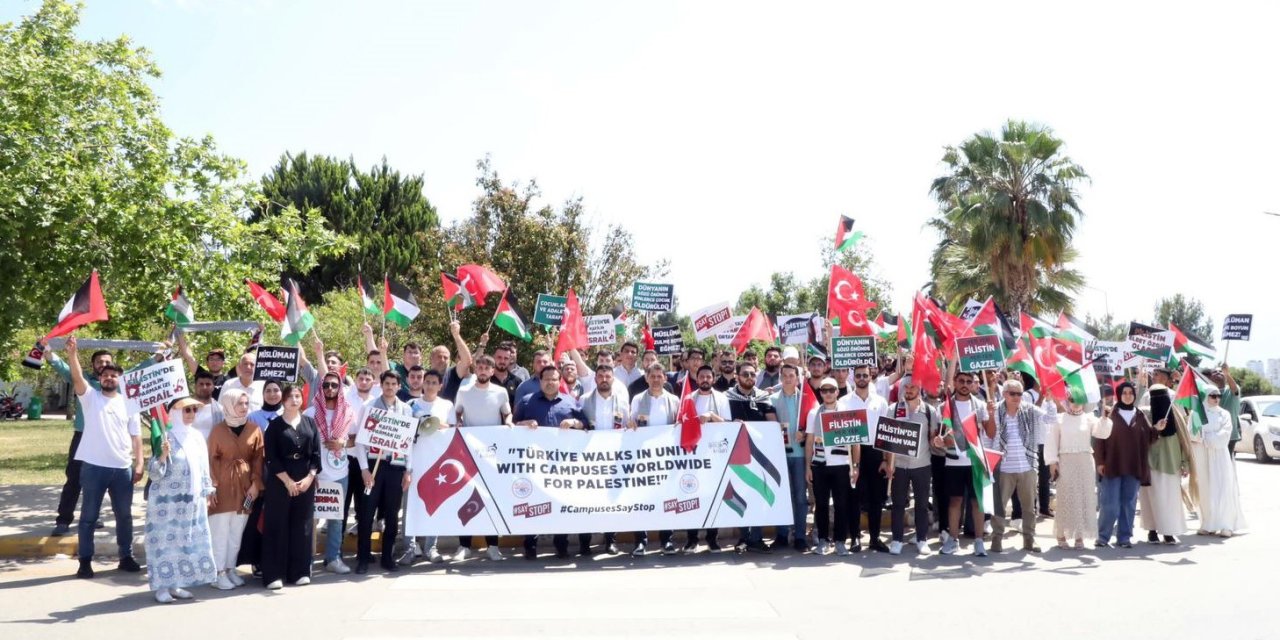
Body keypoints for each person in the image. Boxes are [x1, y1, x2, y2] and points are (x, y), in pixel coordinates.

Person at [59, 337, 145, 578]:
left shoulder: (130, 403)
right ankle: (85, 561)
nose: (109, 378)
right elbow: (77, 378)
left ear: (119, 379)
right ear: (100, 379)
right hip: (94, 468)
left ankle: (125, 556)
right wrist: (72, 354)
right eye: (105, 375)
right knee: (88, 517)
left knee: (124, 516)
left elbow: (136, 437)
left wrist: (139, 463)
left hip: (122, 469)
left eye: (114, 375)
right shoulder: (90, 398)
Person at [145, 397, 217, 603]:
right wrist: (161, 455)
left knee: (185, 543)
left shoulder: (196, 437)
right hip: (166, 505)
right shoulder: (165, 436)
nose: (191, 414)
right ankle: (161, 587)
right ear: (174, 412)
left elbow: (204, 467)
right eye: (186, 410)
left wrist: (207, 491)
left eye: (194, 410)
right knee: (165, 545)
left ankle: (176, 583)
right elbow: (154, 474)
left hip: (192, 502)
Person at [514, 366, 589, 559]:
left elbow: (586, 426)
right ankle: (530, 544)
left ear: (559, 380)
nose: (550, 382)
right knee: (532, 505)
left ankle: (561, 544)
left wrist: (574, 423)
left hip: (562, 467)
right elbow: (512, 427)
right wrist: (523, 425)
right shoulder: (526, 402)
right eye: (546, 379)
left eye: (554, 379)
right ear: (540, 381)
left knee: (559, 504)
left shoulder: (570, 402)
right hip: (534, 464)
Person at [452, 355, 513, 561]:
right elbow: (457, 413)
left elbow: (507, 414)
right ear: (475, 369)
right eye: (480, 366)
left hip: (492, 454)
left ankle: (492, 546)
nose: (483, 369)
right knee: (466, 496)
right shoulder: (464, 391)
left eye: (487, 367)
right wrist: (458, 422)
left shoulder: (501, 392)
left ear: (493, 371)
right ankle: (464, 546)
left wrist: (510, 423)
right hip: (468, 452)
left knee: (490, 499)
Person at [261, 384, 322, 589]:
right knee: (277, 525)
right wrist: (287, 481)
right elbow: (271, 457)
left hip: (305, 480)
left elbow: (315, 454)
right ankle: (273, 574)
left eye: (297, 396)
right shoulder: (275, 425)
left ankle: (299, 571)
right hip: (280, 481)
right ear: (283, 400)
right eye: (290, 397)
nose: (294, 400)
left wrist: (309, 477)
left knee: (302, 526)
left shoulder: (310, 423)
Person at [355, 371, 415, 574]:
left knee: (391, 514)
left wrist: (408, 470)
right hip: (374, 467)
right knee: (366, 513)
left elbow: (408, 445)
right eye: (386, 383)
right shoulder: (369, 407)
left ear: (399, 386)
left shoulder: (406, 410)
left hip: (396, 467)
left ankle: (388, 557)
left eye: (393, 383)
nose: (390, 387)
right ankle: (363, 557)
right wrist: (364, 469)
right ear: (381, 385)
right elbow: (360, 441)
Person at [989, 379, 1057, 554]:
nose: (1017, 397)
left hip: (1027, 465)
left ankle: (1029, 539)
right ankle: (996, 538)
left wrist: (1049, 400)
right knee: (999, 507)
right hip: (1003, 467)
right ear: (1004, 394)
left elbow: (1051, 419)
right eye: (1012, 393)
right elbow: (986, 435)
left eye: (1019, 393)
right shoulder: (995, 410)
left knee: (1029, 507)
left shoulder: (1029, 409)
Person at [207, 388, 264, 589]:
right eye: (239, 403)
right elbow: (211, 460)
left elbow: (258, 459)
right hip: (222, 486)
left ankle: (230, 568)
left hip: (245, 486)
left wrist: (256, 484)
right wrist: (211, 487)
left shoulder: (254, 429)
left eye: (246, 403)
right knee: (220, 530)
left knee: (236, 532)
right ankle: (218, 572)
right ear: (228, 404)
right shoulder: (218, 430)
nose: (244, 407)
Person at [936, 371, 995, 556]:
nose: (965, 384)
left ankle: (979, 542)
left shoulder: (980, 405)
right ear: (955, 382)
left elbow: (991, 433)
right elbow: (941, 436)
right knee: (955, 501)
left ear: (973, 384)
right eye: (961, 380)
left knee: (977, 502)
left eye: (969, 381)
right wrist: (939, 441)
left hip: (975, 460)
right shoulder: (945, 406)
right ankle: (953, 540)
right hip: (953, 461)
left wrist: (991, 414)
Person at [1094, 382, 1157, 548]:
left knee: (1129, 503)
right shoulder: (1110, 413)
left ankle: (1124, 537)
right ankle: (1103, 536)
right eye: (1124, 392)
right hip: (1112, 464)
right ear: (1119, 394)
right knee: (1110, 504)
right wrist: (1100, 461)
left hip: (1133, 465)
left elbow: (1148, 437)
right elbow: (1099, 439)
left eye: (1130, 392)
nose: (1128, 395)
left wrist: (1157, 429)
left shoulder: (1140, 415)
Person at [402, 369, 455, 565]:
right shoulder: (411, 405)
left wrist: (439, 425)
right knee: (410, 508)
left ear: (440, 386)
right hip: (414, 462)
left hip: (437, 463)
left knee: (434, 506)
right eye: (428, 382)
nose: (431, 385)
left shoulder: (447, 405)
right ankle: (409, 549)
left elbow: (453, 429)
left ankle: (431, 547)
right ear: (423, 384)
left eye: (435, 382)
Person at [582, 364, 634, 554]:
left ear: (613, 379)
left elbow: (628, 425)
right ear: (595, 379)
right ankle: (584, 542)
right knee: (588, 501)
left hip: (614, 458)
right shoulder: (584, 400)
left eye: (608, 376)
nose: (604, 379)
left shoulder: (622, 401)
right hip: (590, 458)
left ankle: (610, 540)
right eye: (601, 376)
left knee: (611, 501)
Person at [726, 361, 777, 553]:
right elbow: (722, 422)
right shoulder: (727, 397)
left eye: (752, 374)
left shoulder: (764, 397)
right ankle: (743, 537)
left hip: (759, 455)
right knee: (737, 495)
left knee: (757, 494)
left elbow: (773, 424)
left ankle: (756, 538)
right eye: (745, 374)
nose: (749, 378)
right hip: (735, 454)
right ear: (737, 376)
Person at [305, 370, 354, 574]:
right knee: (310, 519)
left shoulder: (349, 411)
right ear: (321, 388)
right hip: (316, 473)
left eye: (334, 385)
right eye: (326, 385)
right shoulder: (309, 413)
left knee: (336, 518)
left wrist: (342, 442)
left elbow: (356, 440)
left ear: (340, 387)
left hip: (339, 472)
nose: (330, 389)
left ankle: (333, 558)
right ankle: (306, 559)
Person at [630, 364, 682, 554]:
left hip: (666, 458)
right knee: (641, 500)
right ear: (646, 378)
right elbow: (631, 422)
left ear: (665, 379)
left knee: (666, 499)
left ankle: (666, 540)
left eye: (660, 376)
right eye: (652, 376)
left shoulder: (674, 400)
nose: (656, 379)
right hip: (643, 458)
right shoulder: (637, 399)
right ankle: (640, 541)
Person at [841, 364, 892, 553]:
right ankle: (855, 538)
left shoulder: (881, 402)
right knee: (854, 497)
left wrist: (886, 459)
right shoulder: (844, 402)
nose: (862, 378)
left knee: (876, 499)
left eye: (866, 375)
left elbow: (885, 432)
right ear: (854, 378)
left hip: (875, 451)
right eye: (859, 375)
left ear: (871, 377)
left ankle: (875, 538)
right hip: (852, 451)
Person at [1139, 385, 1196, 545]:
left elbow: (1184, 441)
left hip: (1172, 463)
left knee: (1170, 501)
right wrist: (1154, 429)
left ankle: (1168, 532)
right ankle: (1152, 531)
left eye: (1161, 397)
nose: (1159, 401)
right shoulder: (1145, 415)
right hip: (1150, 464)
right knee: (1149, 499)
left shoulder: (1176, 414)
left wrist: (1185, 463)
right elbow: (1140, 437)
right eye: (1155, 397)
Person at [888, 375, 939, 555]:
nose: (909, 390)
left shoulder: (929, 411)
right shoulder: (893, 409)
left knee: (922, 504)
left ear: (919, 389)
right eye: (906, 387)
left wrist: (937, 441)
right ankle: (896, 540)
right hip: (899, 465)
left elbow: (932, 437)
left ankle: (921, 539)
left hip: (922, 464)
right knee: (898, 504)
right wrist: (888, 464)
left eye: (913, 387)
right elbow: (887, 439)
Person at [806, 377, 857, 555]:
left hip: (842, 465)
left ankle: (840, 541)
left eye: (831, 390)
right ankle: (822, 540)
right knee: (821, 505)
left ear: (837, 392)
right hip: (819, 464)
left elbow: (855, 442)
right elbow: (809, 441)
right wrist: (807, 466)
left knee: (841, 504)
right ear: (820, 393)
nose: (827, 393)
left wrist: (855, 466)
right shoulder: (814, 413)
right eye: (824, 390)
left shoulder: (847, 412)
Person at [1045, 400, 1106, 549]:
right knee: (1065, 497)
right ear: (1067, 401)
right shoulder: (1059, 419)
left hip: (1085, 460)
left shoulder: (1089, 418)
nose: (1076, 404)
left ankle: (1079, 536)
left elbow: (1102, 433)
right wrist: (1053, 462)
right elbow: (1051, 441)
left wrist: (1104, 418)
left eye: (1079, 401)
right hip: (1066, 460)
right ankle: (1061, 534)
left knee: (1083, 498)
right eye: (1072, 400)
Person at [685, 365, 731, 552]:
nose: (705, 379)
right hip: (692, 454)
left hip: (714, 454)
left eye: (708, 376)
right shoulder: (688, 398)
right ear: (697, 379)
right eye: (701, 376)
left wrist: (711, 416)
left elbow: (727, 424)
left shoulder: (721, 398)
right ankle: (692, 539)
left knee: (713, 496)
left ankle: (712, 538)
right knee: (691, 495)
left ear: (713, 379)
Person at [1193, 389, 1247, 536]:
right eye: (1212, 395)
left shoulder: (1224, 414)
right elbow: (1192, 433)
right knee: (1205, 489)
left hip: (1220, 455)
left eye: (1218, 396)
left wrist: (1209, 438)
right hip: (1203, 455)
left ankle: (1226, 524)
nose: (1216, 398)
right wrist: (1201, 437)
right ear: (1206, 396)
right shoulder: (1197, 413)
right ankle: (1208, 523)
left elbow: (1225, 433)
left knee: (1223, 488)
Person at [769, 363, 809, 552]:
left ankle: (800, 536)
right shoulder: (772, 399)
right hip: (780, 456)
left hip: (801, 456)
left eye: (791, 375)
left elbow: (814, 425)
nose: (787, 378)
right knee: (783, 496)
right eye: (784, 375)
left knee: (801, 498)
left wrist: (805, 433)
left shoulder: (806, 399)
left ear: (797, 377)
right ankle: (782, 535)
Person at [1207, 365, 1242, 460]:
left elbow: (1235, 389)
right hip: (1211, 436)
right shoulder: (1207, 392)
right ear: (1210, 377)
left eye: (1220, 371)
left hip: (1229, 436)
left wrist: (1227, 374)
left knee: (1227, 463)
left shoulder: (1231, 390)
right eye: (1215, 371)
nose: (1218, 372)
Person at [190, 369, 223, 440]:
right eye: (201, 384)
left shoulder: (220, 411)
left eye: (208, 384)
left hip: (212, 450)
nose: (204, 387)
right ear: (195, 386)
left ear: (213, 387)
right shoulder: (185, 408)